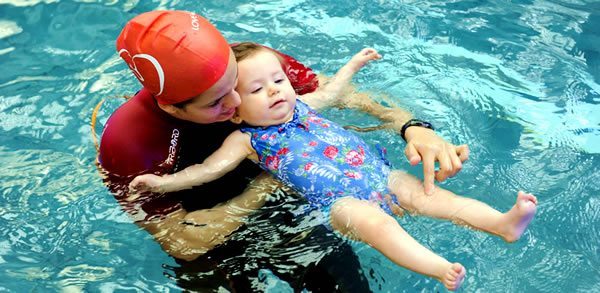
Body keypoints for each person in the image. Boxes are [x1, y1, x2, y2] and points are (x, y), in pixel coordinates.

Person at [98, 10, 469, 291]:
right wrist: (266, 187)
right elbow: (184, 243)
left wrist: (412, 127)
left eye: (236, 83)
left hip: (280, 174)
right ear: (173, 108)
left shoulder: (249, 63)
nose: (237, 99)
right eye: (217, 102)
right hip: (210, 211)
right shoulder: (129, 144)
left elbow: (337, 95)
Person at [129, 42, 539, 291]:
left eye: (279, 82)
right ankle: (438, 268)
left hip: (378, 175)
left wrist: (355, 64)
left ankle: (502, 223)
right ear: (235, 110)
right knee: (380, 228)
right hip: (339, 200)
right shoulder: (246, 139)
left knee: (440, 199)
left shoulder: (305, 105)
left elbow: (335, 90)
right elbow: (206, 170)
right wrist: (159, 183)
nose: (275, 91)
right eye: (257, 89)